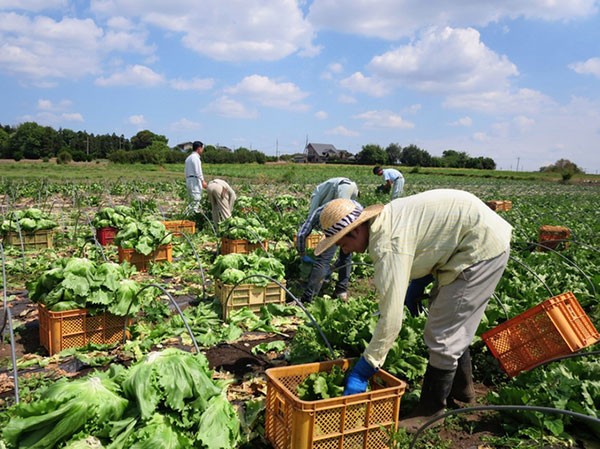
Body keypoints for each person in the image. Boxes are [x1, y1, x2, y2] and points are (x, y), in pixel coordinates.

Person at [314, 189, 512, 431]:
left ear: (356, 229)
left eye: (344, 242)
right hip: (466, 239)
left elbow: (391, 320)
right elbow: (429, 236)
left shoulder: (387, 245)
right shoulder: (387, 220)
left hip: (480, 247)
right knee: (451, 319)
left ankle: (430, 411)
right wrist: (418, 282)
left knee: (443, 333)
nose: (345, 250)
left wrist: (365, 369)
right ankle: (462, 392)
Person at [296, 177, 359, 302]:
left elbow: (302, 233)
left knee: (323, 259)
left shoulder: (317, 211)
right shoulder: (350, 206)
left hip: (344, 189)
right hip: (352, 192)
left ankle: (308, 298)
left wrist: (302, 254)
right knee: (346, 253)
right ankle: (341, 290)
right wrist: (333, 267)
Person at [184, 141, 207, 213]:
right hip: (194, 180)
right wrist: (203, 181)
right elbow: (198, 171)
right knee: (196, 199)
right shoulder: (195, 158)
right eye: (202, 148)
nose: (202, 150)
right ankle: (193, 217)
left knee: (191, 200)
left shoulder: (188, 158)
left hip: (189, 179)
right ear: (199, 148)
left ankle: (188, 216)